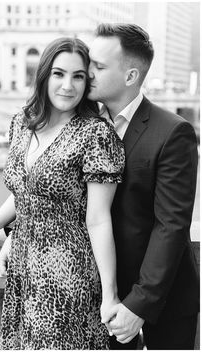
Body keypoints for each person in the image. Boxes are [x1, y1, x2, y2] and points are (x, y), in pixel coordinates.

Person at [0, 37, 125, 350]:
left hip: (68, 272)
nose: (68, 85)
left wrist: (110, 294)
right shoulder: (23, 124)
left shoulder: (94, 134)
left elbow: (98, 220)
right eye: (59, 74)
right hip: (22, 269)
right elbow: (27, 192)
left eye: (78, 76)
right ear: (43, 75)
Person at [87, 23, 199, 350]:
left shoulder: (173, 132)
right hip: (98, 299)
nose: (88, 71)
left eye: (99, 66)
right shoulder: (81, 125)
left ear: (131, 76)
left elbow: (171, 225)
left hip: (164, 302)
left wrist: (138, 304)